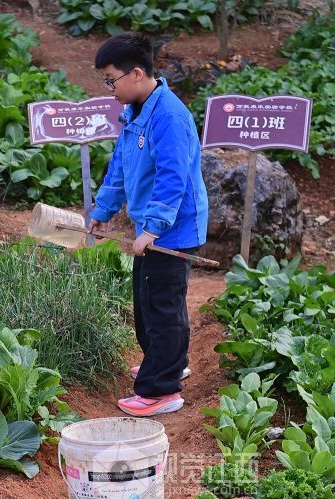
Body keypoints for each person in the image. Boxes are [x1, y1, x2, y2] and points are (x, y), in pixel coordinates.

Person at [87, 33, 208, 417]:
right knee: (148, 301)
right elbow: (120, 167)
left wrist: (153, 227)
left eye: (111, 79)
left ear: (137, 73)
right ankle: (168, 362)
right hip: (152, 228)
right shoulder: (135, 111)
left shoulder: (169, 116)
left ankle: (162, 389)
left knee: (161, 306)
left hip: (173, 229)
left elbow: (172, 177)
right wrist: (102, 209)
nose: (109, 89)